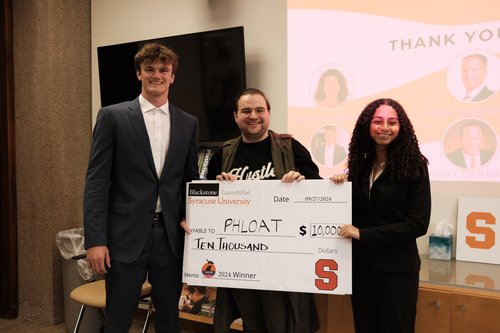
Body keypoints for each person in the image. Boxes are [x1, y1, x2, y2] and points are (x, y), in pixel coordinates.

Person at [83, 43, 199, 333]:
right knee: (119, 318)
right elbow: (97, 182)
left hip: (169, 238)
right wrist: (95, 240)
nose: (156, 74)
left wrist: (191, 215)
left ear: (172, 76)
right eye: (150, 69)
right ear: (139, 74)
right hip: (124, 236)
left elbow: (189, 180)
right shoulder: (112, 117)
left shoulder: (188, 123)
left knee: (170, 320)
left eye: (163, 69)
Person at [206, 88, 320, 333]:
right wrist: (218, 188)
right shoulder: (222, 155)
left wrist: (301, 183)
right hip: (240, 258)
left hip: (281, 258)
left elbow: (320, 197)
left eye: (259, 110)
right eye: (246, 111)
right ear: (235, 116)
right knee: (251, 322)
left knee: (280, 323)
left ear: (268, 114)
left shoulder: (291, 149)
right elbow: (205, 205)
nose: (253, 116)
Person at [330, 98, 431, 333]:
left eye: (392, 122)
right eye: (378, 121)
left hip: (397, 270)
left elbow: (417, 224)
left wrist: (363, 234)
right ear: (367, 125)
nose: (385, 127)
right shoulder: (360, 167)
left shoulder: (414, 165)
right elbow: (351, 212)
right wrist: (337, 186)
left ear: (401, 128)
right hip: (362, 269)